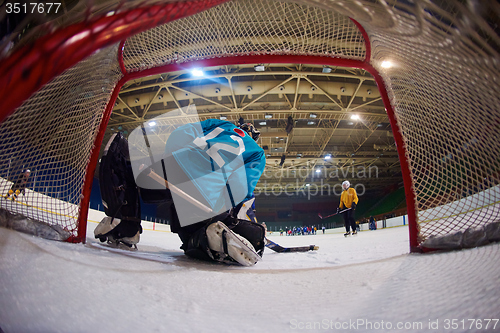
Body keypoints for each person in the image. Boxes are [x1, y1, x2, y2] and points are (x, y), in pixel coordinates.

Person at [95, 119, 267, 266]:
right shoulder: (257, 153)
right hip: (206, 194)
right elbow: (240, 186)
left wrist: (174, 157)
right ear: (254, 137)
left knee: (129, 174)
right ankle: (206, 237)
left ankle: (126, 228)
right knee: (193, 235)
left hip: (176, 168)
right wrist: (221, 210)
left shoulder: (221, 124)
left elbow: (182, 133)